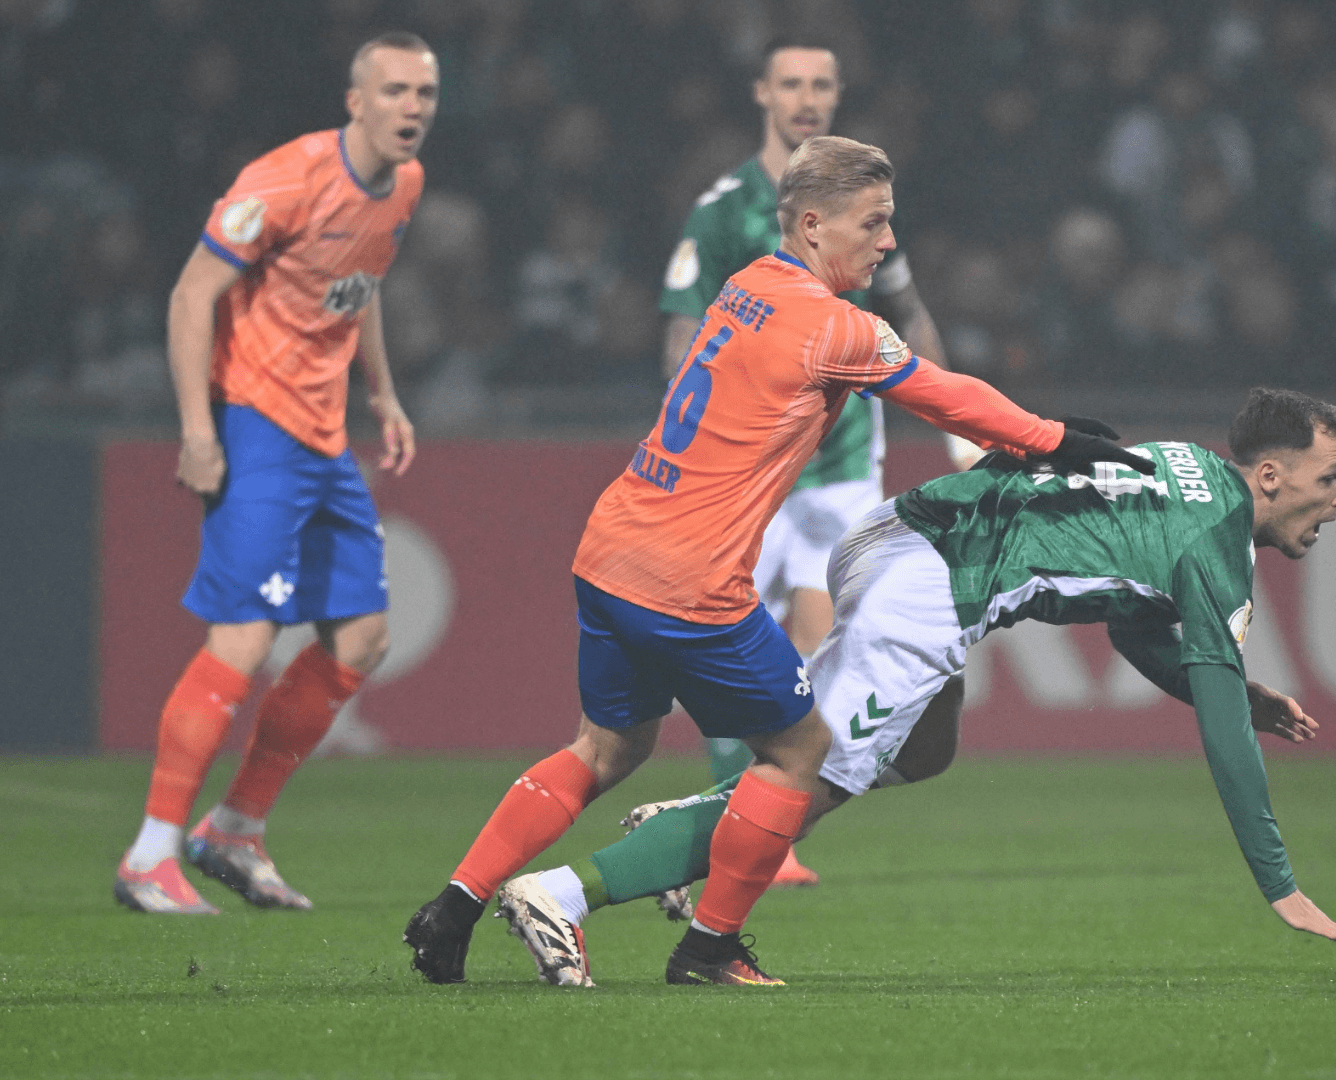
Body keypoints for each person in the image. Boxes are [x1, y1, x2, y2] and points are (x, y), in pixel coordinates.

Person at [403, 135, 1153, 987]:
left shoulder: (748, 286)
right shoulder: (835, 328)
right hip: (690, 578)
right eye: (873, 222)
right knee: (800, 749)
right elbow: (945, 394)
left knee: (605, 748)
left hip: (611, 550)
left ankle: (452, 910)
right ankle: (709, 949)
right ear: (812, 224)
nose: (888, 241)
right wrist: (1054, 439)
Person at [497, 388, 1336, 987]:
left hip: (898, 532)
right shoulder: (1219, 545)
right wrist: (1280, 886)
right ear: (1270, 475)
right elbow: (1224, 741)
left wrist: (1239, 693)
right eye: (1330, 477)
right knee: (808, 784)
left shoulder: (1190, 467)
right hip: (929, 586)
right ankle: (563, 895)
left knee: (926, 747)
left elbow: (1133, 625)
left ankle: (708, 819)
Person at [113, 32, 435, 915]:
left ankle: (234, 829)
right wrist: (197, 430)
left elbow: (361, 284)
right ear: (356, 101)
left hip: (324, 437)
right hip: (254, 424)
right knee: (245, 640)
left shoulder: (404, 185)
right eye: (395, 90)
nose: (412, 107)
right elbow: (191, 294)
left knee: (361, 638)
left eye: (424, 93)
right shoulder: (285, 180)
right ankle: (150, 855)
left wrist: (383, 392)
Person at [660, 44, 954, 887]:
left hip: (842, 461)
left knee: (821, 651)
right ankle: (725, 823)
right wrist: (691, 434)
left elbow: (906, 310)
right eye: (791, 83)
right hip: (752, 469)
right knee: (731, 638)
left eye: (822, 84)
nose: (807, 98)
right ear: (762, 93)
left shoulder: (862, 202)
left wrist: (955, 430)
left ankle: (764, 828)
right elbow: (684, 327)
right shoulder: (724, 210)